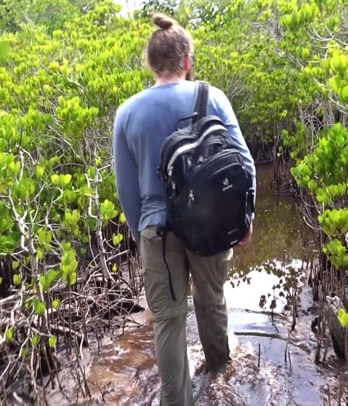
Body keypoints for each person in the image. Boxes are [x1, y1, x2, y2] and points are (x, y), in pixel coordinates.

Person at [112, 12, 256, 406]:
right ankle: (220, 374)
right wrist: (246, 218)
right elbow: (243, 162)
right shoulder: (214, 97)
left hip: (156, 231)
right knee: (212, 302)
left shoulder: (127, 112)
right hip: (210, 224)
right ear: (187, 61)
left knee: (169, 321)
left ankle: (178, 401)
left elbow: (126, 189)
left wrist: (141, 230)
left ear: (151, 64)